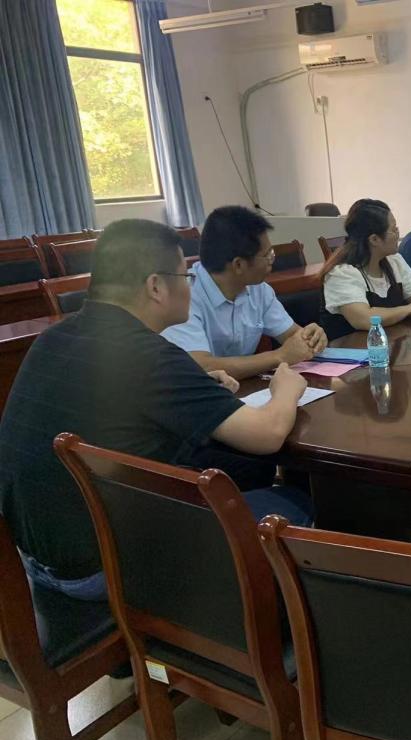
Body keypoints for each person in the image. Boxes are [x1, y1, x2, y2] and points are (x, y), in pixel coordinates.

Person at [0, 220, 314, 602]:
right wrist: (285, 389)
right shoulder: (148, 355)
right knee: (297, 502)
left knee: (243, 470)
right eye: (186, 276)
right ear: (155, 286)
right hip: (107, 569)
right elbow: (267, 434)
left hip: (38, 560)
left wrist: (197, 386)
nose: (190, 286)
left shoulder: (55, 337)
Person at [162, 205, 328, 379]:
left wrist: (311, 338)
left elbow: (291, 335)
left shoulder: (258, 289)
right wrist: (279, 356)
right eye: (267, 255)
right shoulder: (183, 296)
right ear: (239, 265)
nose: (272, 260)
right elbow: (201, 366)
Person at [320, 199, 411, 339]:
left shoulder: (394, 261)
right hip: (353, 348)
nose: (398, 234)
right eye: (393, 230)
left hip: (390, 342)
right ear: (374, 239)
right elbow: (365, 319)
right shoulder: (341, 273)